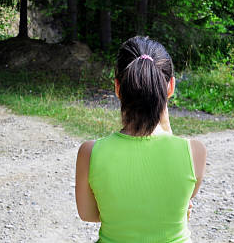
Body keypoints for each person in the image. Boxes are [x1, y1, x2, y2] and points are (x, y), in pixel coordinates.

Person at [75, 36, 207, 242]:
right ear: (170, 87)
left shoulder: (89, 152)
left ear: (118, 87)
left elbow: (88, 214)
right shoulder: (194, 152)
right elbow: (177, 205)